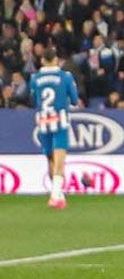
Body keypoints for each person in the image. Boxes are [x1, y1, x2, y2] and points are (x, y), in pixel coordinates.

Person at [30, 50, 80, 209]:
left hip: (43, 121)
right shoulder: (65, 77)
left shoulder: (35, 78)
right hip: (60, 120)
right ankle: (54, 196)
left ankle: (59, 195)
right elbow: (74, 100)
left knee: (50, 159)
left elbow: (33, 99)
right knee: (60, 159)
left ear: (43, 60)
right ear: (57, 60)